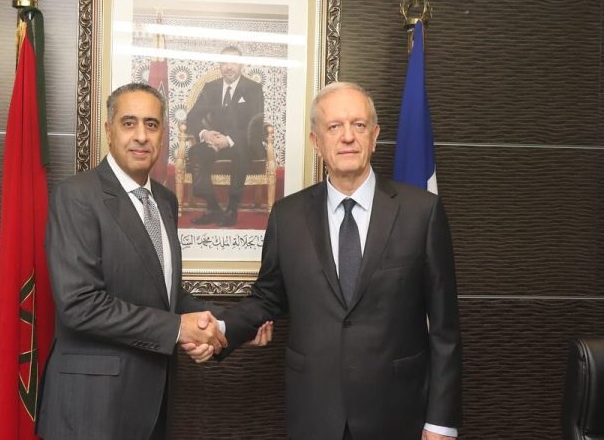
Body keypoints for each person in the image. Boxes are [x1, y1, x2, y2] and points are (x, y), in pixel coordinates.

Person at [190, 82, 462, 439]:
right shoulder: (287, 216)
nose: (348, 136)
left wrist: (441, 422)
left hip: (397, 412)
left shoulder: (421, 212)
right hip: (315, 412)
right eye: (334, 127)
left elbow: (444, 328)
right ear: (316, 142)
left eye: (359, 125)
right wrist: (221, 331)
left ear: (374, 136)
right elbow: (267, 298)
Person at [36, 83, 269, 439]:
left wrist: (233, 328)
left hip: (153, 401)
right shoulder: (77, 196)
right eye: (129, 123)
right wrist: (178, 329)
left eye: (152, 124)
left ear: (163, 134)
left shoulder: (164, 201)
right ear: (109, 130)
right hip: (91, 406)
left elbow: (167, 296)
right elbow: (79, 304)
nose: (141, 136)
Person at [186, 45, 265, 227]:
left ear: (241, 65)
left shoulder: (253, 88)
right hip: (214, 141)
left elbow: (255, 124)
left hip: (243, 143)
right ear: (220, 66)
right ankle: (212, 207)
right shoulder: (210, 88)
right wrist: (205, 133)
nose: (229, 67)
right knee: (195, 153)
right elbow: (192, 116)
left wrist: (228, 141)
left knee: (240, 152)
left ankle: (232, 208)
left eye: (233, 63)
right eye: (224, 63)